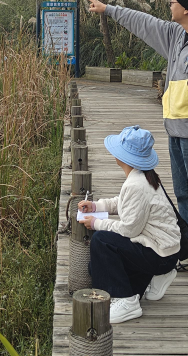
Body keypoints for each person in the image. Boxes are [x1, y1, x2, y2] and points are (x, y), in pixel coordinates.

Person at [84, 0, 188, 288]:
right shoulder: (177, 35)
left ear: (187, 7)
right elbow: (143, 22)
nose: (169, 5)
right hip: (175, 131)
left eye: (173, 1)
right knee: (184, 197)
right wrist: (108, 10)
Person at [77, 125, 181, 323]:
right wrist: (96, 205)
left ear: (123, 157)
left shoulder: (136, 184)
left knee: (102, 242)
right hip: (164, 250)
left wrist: (98, 223)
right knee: (96, 267)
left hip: (159, 253)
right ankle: (152, 277)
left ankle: (128, 302)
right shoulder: (142, 177)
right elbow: (122, 202)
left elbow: (128, 229)